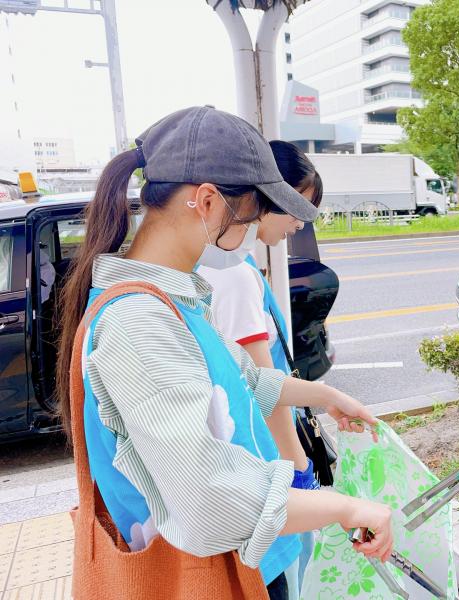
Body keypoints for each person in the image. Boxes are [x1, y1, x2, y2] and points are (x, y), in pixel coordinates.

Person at [56, 106, 393, 599]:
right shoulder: (140, 322)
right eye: (254, 215)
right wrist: (344, 508)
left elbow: (243, 383)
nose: (257, 231)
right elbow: (208, 496)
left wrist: (324, 394)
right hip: (210, 571)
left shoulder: (176, 300)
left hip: (249, 562)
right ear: (208, 201)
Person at [197, 140, 323, 598]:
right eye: (295, 207)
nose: (298, 223)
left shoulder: (221, 265)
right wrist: (298, 467)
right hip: (261, 473)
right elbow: (263, 387)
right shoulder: (233, 275)